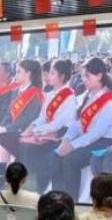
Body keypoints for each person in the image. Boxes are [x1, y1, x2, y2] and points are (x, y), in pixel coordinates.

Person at [50, 57, 112, 200]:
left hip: (104, 143)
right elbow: (76, 123)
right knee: (54, 155)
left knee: (71, 159)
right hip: (85, 139)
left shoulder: (110, 100)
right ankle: (57, 198)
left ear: (99, 75)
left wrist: (73, 146)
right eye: (82, 75)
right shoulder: (87, 96)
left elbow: (97, 133)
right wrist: (67, 139)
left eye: (87, 76)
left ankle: (71, 201)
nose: (83, 79)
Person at [17, 59, 78, 193]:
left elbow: (58, 123)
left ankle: (39, 189)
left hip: (61, 134)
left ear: (62, 76)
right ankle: (27, 186)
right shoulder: (50, 94)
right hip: (46, 131)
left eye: (52, 73)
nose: (49, 76)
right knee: (25, 145)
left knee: (39, 150)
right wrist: (32, 127)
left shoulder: (69, 96)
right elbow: (42, 117)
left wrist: (36, 131)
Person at [0, 60, 44, 190]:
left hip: (23, 130)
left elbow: (28, 119)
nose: (16, 75)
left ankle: (1, 175)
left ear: (28, 73)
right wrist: (1, 126)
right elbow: (8, 113)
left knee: (2, 138)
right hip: (10, 128)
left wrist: (6, 128)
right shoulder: (15, 91)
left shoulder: (34, 93)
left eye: (19, 72)